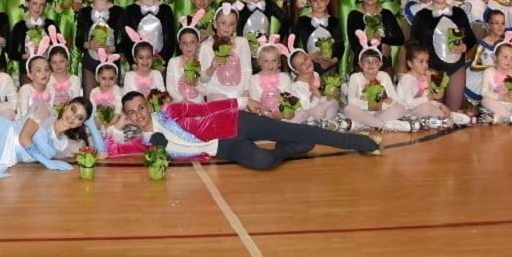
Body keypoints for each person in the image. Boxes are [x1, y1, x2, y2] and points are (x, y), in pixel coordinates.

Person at [104, 89, 379, 170]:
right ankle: (290, 150)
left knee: (301, 131)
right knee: (262, 161)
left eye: (141, 108)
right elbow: (113, 150)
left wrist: (242, 102)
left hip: (237, 122)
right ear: (127, 115)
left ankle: (362, 142)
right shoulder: (147, 143)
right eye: (131, 112)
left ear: (147, 105)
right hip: (225, 146)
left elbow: (206, 109)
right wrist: (117, 127)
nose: (138, 115)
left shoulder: (169, 112)